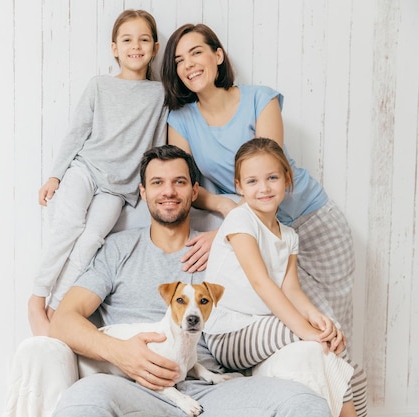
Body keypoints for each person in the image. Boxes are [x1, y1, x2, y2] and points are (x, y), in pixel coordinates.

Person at [38, 144, 332, 417]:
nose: (168, 191)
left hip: (212, 387)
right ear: (142, 192)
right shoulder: (118, 249)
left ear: (194, 191)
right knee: (84, 400)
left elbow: (265, 245)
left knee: (305, 404)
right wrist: (120, 352)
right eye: (157, 183)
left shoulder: (228, 246)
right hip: (133, 385)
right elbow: (63, 320)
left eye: (179, 182)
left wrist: (222, 233)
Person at [160, 23, 357, 351]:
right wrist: (227, 212)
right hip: (265, 231)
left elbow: (269, 175)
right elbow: (189, 186)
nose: (189, 64)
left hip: (313, 219)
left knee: (335, 329)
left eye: (196, 52)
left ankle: (347, 399)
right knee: (306, 333)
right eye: (179, 60)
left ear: (218, 55)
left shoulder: (261, 99)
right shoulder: (180, 121)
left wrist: (229, 230)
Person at [202, 138, 367, 417]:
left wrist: (319, 320)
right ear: (239, 187)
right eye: (252, 181)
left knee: (349, 364)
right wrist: (307, 332)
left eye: (272, 178)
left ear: (287, 179)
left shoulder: (289, 235)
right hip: (229, 333)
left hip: (262, 328)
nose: (263, 188)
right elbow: (261, 282)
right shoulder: (240, 221)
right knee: (323, 344)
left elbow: (292, 289)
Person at [29, 9, 168, 336]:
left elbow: (157, 144)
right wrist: (55, 175)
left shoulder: (159, 94)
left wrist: (148, 188)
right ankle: (37, 298)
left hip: (118, 187)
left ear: (155, 47)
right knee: (70, 225)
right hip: (86, 169)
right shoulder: (99, 85)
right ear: (114, 48)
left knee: (91, 241)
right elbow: (77, 132)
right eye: (127, 39)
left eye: (144, 39)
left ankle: (56, 307)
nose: (136, 46)